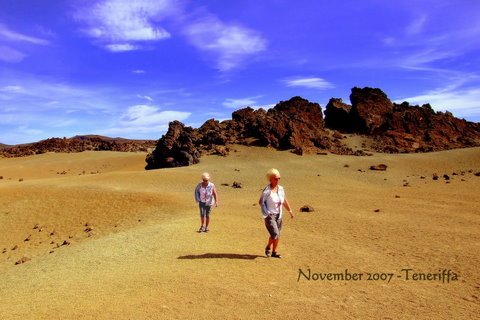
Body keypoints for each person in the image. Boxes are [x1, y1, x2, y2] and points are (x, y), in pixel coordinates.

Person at [259, 168, 294, 258]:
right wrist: (266, 213)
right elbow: (261, 202)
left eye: (279, 178)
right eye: (275, 178)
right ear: (270, 179)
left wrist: (290, 211)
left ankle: (274, 251)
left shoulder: (281, 189)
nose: (277, 180)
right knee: (275, 234)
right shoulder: (267, 191)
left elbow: (284, 201)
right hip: (270, 215)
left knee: (277, 234)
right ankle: (268, 248)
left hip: (279, 215)